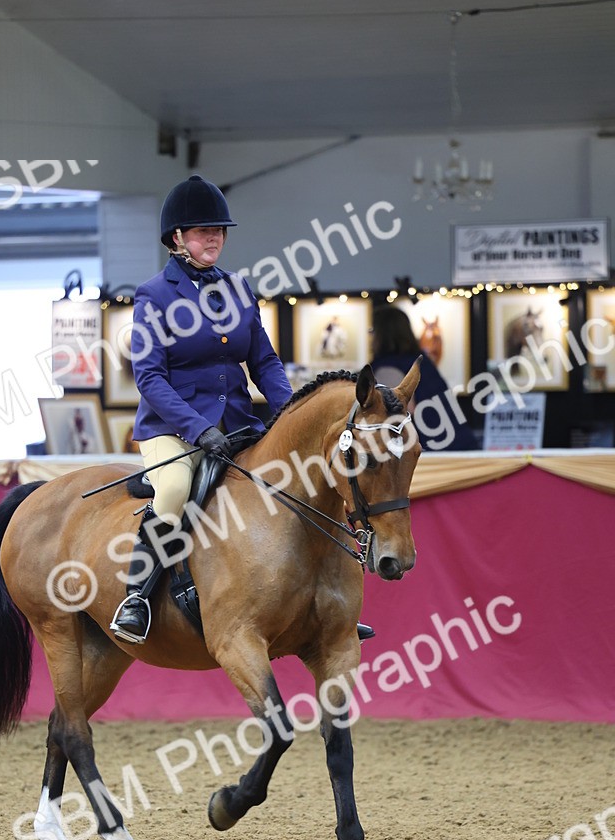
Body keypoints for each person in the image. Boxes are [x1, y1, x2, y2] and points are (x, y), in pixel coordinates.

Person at [109, 175, 377, 646]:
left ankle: (324, 603)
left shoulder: (236, 288)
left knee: (303, 481)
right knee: (173, 490)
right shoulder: (155, 294)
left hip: (237, 422)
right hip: (173, 428)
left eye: (220, 230)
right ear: (177, 238)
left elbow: (265, 362)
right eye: (202, 231)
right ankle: (137, 597)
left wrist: (292, 415)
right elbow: (150, 378)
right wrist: (195, 429)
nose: (214, 238)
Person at [370, 305, 480, 451]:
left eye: (372, 332)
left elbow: (402, 412)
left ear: (380, 334)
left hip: (435, 450)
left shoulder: (388, 367)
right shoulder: (421, 361)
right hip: (458, 443)